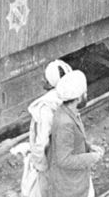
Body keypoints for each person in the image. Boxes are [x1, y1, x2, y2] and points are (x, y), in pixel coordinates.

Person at [19, 59, 72, 197]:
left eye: (45, 77)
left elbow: (42, 142)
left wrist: (39, 166)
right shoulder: (68, 99)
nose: (41, 79)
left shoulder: (46, 108)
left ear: (50, 83)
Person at [47, 70, 104, 197]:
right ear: (78, 98)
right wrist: (92, 158)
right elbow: (64, 159)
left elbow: (73, 140)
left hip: (76, 179)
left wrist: (89, 147)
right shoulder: (65, 123)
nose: (86, 95)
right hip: (70, 186)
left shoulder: (68, 112)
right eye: (85, 93)